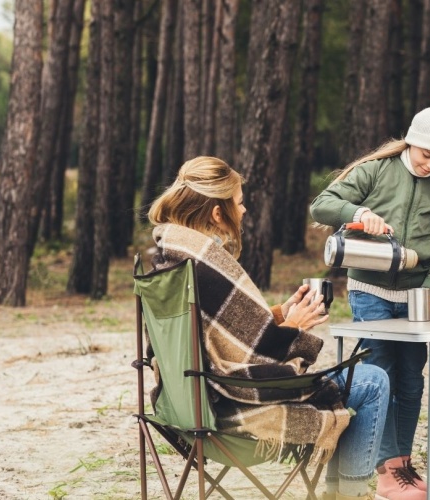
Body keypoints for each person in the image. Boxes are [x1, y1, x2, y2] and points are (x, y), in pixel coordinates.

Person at [147, 156, 390, 500]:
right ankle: (348, 495)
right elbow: (255, 357)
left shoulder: (170, 258)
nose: (243, 211)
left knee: (359, 380)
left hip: (186, 406)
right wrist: (294, 327)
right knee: (373, 381)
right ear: (218, 213)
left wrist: (277, 314)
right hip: (235, 408)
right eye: (239, 202)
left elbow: (213, 333)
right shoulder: (207, 266)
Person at [310, 107, 430, 500]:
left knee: (411, 381)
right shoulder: (376, 170)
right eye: (426, 155)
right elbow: (322, 205)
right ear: (411, 140)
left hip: (417, 297)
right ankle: (384, 471)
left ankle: (401, 464)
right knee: (380, 377)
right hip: (371, 292)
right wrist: (360, 212)